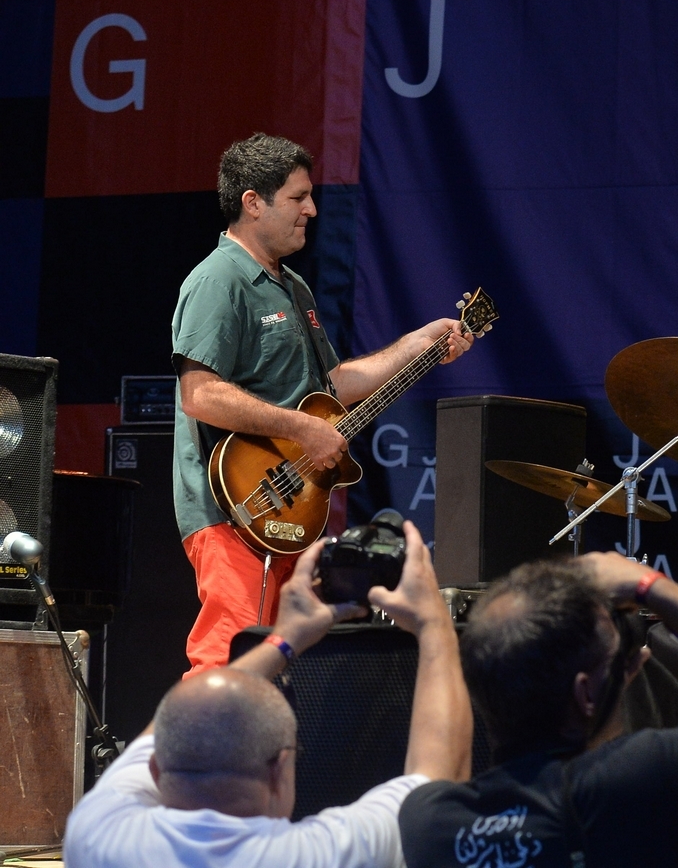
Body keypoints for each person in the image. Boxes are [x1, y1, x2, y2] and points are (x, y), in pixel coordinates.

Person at [172, 133, 474, 675]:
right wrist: (303, 429)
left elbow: (332, 385)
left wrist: (420, 343)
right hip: (235, 506)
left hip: (288, 502)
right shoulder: (218, 280)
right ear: (252, 201)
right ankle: (191, 758)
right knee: (229, 655)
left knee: (277, 660)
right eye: (297, 197)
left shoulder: (293, 289)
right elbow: (200, 394)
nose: (311, 209)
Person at [65, 523, 472, 868]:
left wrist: (286, 639)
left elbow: (177, 721)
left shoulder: (97, 836)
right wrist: (435, 623)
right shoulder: (319, 855)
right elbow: (439, 778)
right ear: (280, 768)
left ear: (155, 770)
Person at [398, 553, 678, 867]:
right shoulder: (636, 783)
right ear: (586, 694)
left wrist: (433, 626)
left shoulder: (429, 824)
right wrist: (650, 585)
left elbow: (428, 764)